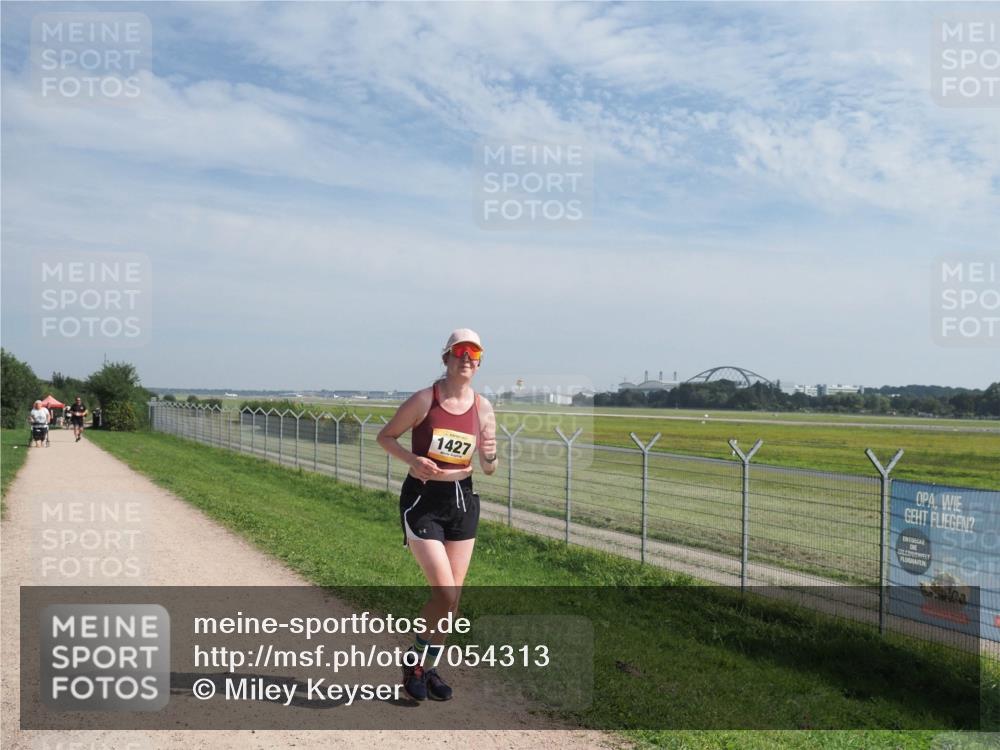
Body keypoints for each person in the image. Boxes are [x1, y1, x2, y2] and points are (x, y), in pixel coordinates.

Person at [376, 328, 497, 702]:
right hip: (424, 499)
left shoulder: (483, 407)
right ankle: (414, 661)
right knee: (443, 594)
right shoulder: (424, 400)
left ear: (479, 363)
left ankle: (427, 669)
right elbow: (386, 437)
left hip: (462, 500)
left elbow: (489, 467)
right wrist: (412, 460)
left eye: (474, 354)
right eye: (460, 352)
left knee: (454, 600)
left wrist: (490, 452)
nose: (467, 359)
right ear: (445, 357)